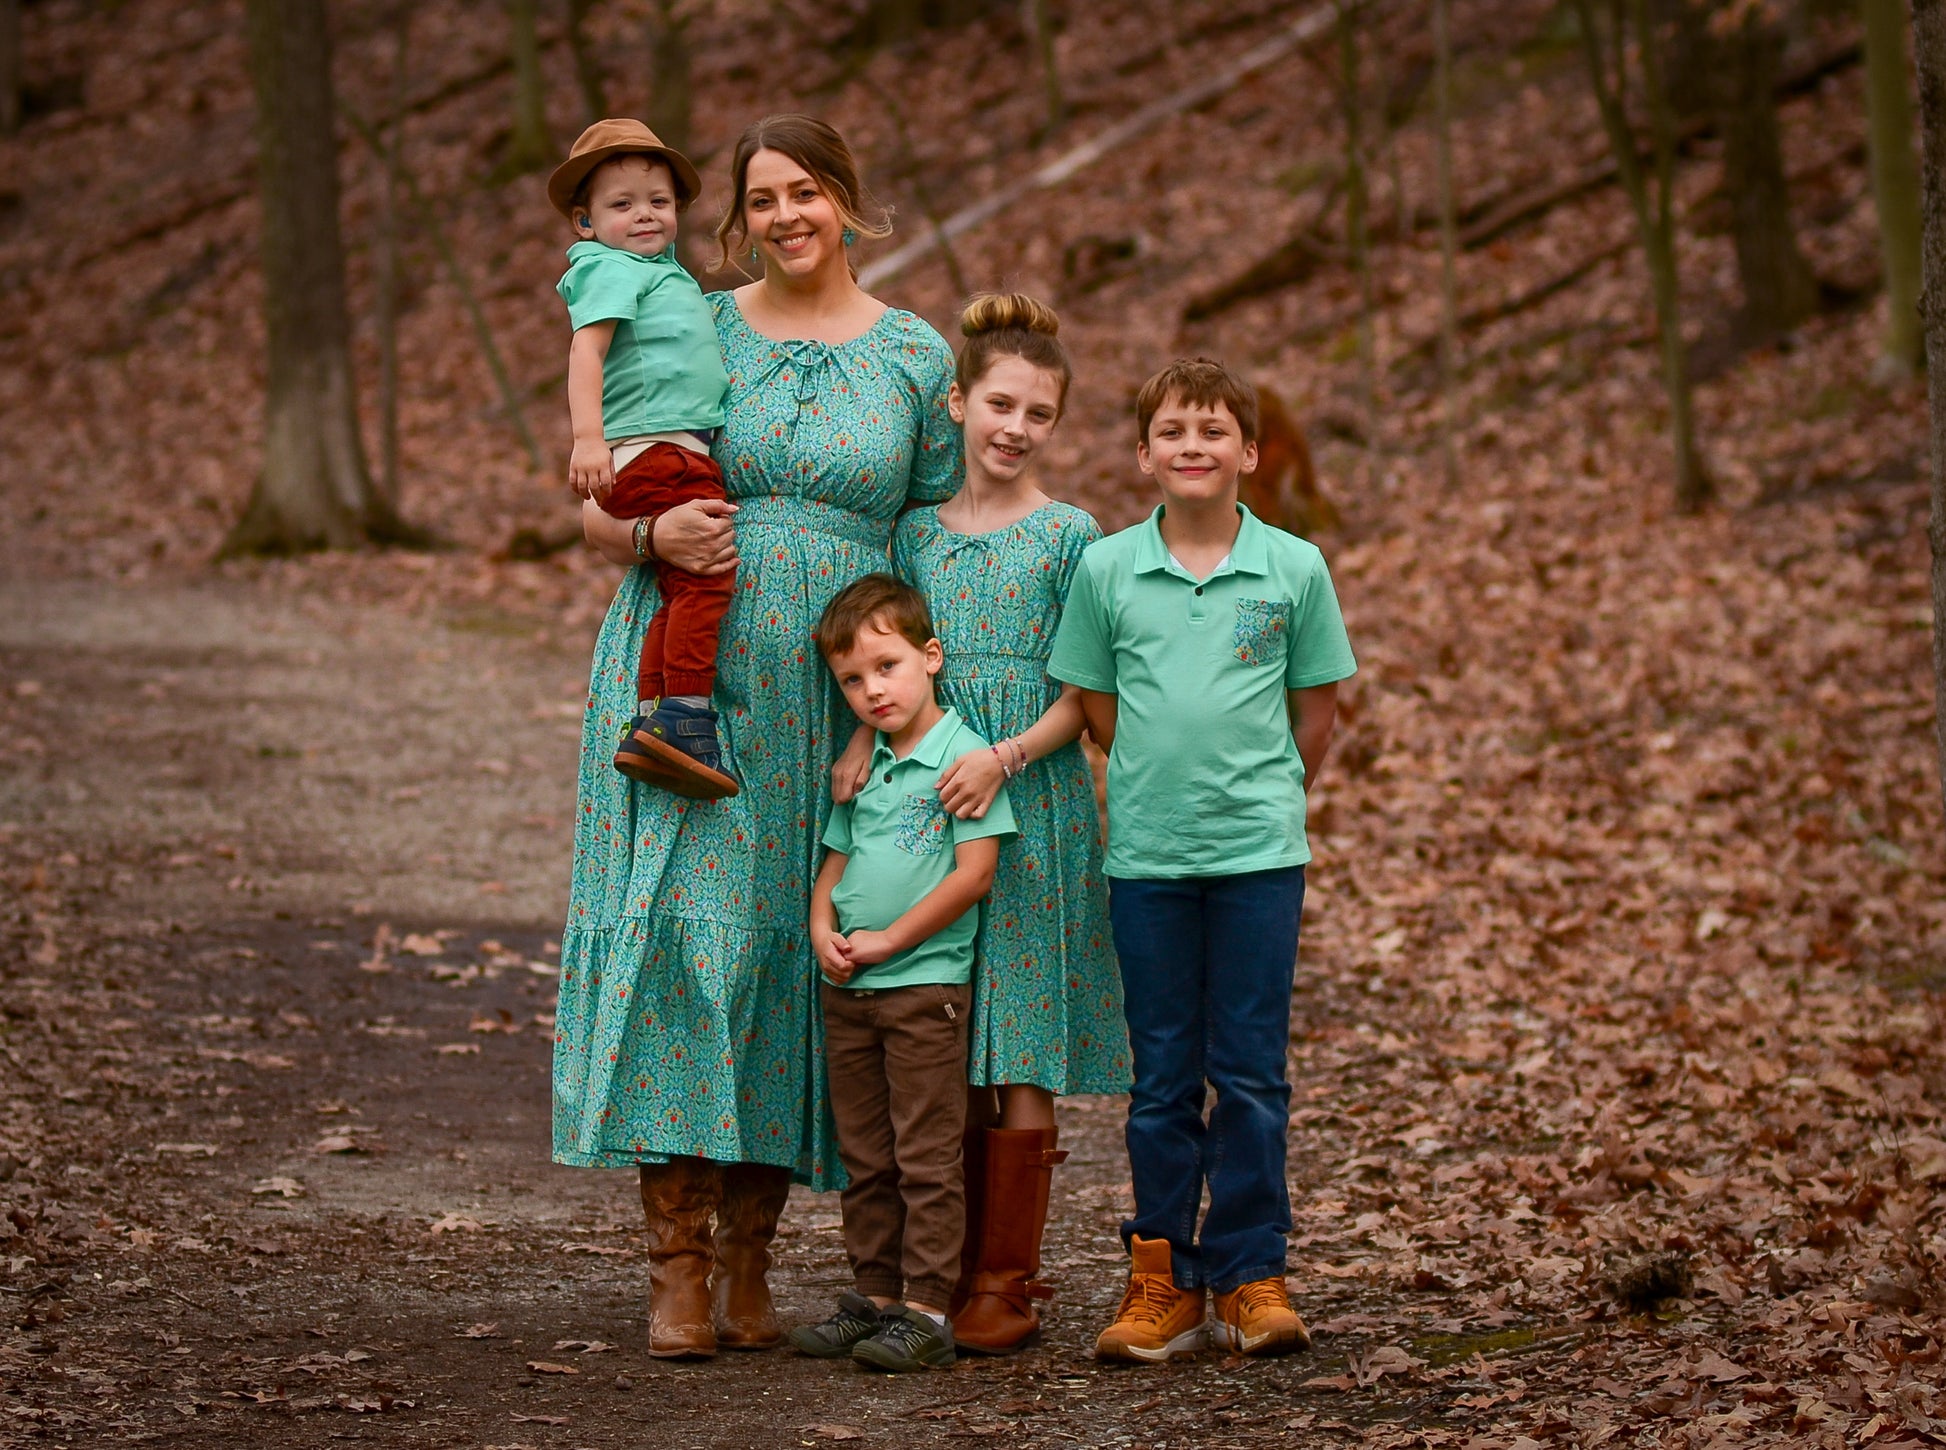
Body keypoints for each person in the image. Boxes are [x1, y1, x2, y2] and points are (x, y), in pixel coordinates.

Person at [551, 114, 962, 1361]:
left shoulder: (910, 352)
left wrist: (911, 721)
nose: (785, 217)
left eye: (806, 193)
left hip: (832, 696)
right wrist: (642, 539)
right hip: (692, 670)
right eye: (762, 199)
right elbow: (596, 490)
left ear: (847, 199)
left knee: (794, 962)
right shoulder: (693, 316)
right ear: (738, 218)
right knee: (688, 940)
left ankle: (750, 1260)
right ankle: (673, 1260)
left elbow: (935, 536)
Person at [1047, 357, 1357, 1363]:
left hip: (1258, 855)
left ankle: (1249, 1274)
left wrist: (1265, 790)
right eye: (1173, 431)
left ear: (1249, 453)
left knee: (1251, 1074)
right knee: (1163, 1077)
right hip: (1147, 858)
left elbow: (1314, 709)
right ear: (1143, 454)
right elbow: (1094, 706)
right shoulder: (1104, 569)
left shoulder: (1293, 568)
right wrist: (1156, 781)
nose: (1192, 446)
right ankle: (1163, 1280)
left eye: (1213, 430)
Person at [851, 293, 1129, 1354]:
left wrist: (1003, 755)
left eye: (1040, 413)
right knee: (941, 1036)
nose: (1015, 427)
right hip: (928, 808)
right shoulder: (913, 533)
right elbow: (882, 656)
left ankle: (1005, 1283)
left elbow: (1084, 689)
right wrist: (858, 743)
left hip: (1031, 798)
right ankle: (941, 1269)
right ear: (958, 402)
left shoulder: (1070, 537)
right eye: (999, 403)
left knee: (1016, 1040)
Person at [791, 575, 1016, 1372]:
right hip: (850, 991)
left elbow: (973, 875)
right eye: (851, 680)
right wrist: (825, 929)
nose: (870, 690)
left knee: (925, 1154)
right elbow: (835, 862)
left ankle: (926, 1307)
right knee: (867, 1155)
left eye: (885, 667)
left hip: (924, 988)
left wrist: (890, 940)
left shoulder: (965, 757)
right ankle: (877, 1297)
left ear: (931, 657)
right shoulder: (866, 765)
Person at [549, 118, 738, 798]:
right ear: (586, 221)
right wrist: (588, 438)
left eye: (658, 201)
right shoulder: (608, 269)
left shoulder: (660, 273)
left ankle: (657, 716)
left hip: (667, 446)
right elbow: (585, 353)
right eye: (621, 204)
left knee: (680, 588)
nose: (644, 215)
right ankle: (686, 712)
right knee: (709, 579)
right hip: (654, 451)